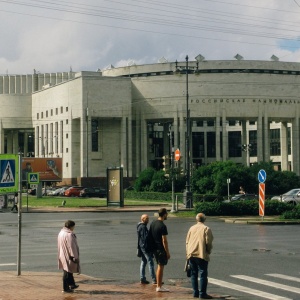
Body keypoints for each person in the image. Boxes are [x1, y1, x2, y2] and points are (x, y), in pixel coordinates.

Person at [186, 213, 214, 299]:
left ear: (197, 219)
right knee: (203, 273)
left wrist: (188, 252)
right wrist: (208, 251)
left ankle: (195, 292)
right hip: (201, 253)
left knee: (193, 273)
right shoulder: (206, 228)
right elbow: (208, 242)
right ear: (204, 219)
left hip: (191, 253)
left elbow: (187, 241)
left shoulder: (191, 228)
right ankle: (202, 293)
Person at [149, 208, 170, 292]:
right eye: (166, 214)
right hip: (160, 249)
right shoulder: (163, 226)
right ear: (164, 214)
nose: (167, 215)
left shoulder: (153, 223)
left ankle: (159, 285)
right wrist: (167, 252)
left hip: (154, 248)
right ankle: (159, 286)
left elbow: (150, 235)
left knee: (158, 266)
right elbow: (164, 240)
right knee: (161, 266)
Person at [57, 220, 81, 293]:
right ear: (71, 226)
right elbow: (71, 246)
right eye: (74, 226)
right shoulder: (69, 234)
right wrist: (74, 256)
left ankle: (72, 284)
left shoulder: (61, 233)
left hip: (63, 254)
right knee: (67, 272)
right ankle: (65, 288)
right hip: (68, 255)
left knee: (68, 271)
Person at [137, 214, 156, 284]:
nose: (148, 220)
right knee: (150, 262)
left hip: (141, 246)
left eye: (148, 218)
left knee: (143, 262)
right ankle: (154, 279)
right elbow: (146, 238)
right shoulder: (143, 227)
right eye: (146, 219)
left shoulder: (139, 226)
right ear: (142, 219)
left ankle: (142, 278)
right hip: (145, 247)